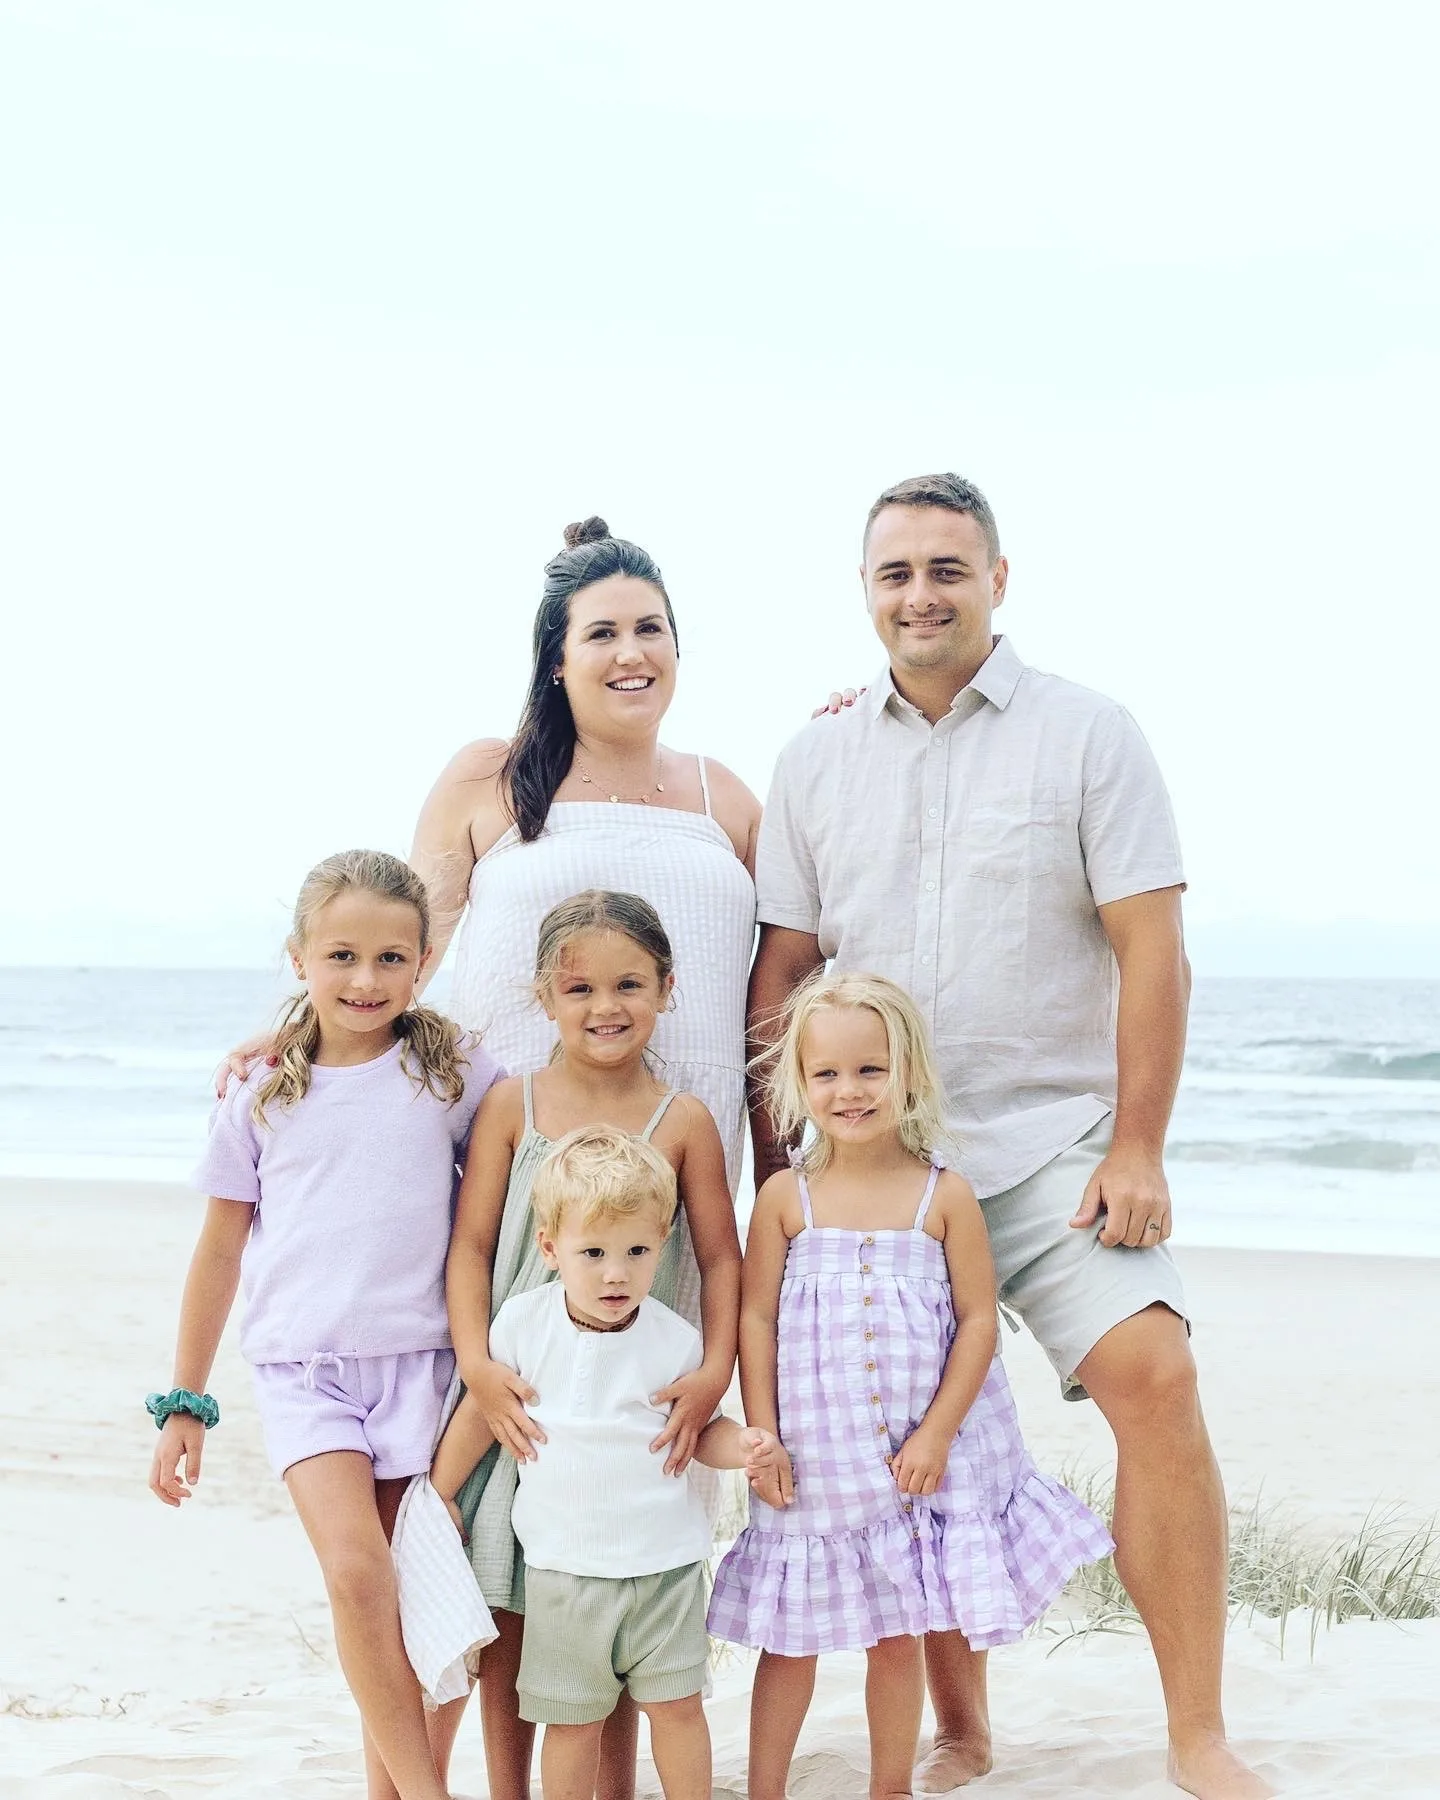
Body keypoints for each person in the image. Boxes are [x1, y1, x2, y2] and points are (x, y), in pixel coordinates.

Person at [749, 473, 1272, 1800]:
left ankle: (1197, 1735)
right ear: (864, 592)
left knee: (1155, 1381)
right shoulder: (814, 757)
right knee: (888, 1434)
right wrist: (776, 1170)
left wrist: (1138, 1146)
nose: (919, 594)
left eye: (945, 568)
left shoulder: (1091, 735)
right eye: (893, 573)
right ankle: (965, 1728)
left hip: (1051, 1148)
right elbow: (787, 968)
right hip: (876, 1164)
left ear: (997, 578)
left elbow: (1151, 950)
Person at [148, 850, 504, 1800]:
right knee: (358, 1578)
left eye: (393, 959)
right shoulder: (261, 1089)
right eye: (341, 955)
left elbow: (527, 1149)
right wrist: (185, 1401)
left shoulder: (454, 1070)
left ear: (425, 962)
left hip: (427, 1369)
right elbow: (219, 1252)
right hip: (304, 1373)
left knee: (422, 1592)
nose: (366, 979)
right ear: (299, 955)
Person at [709, 972, 1109, 1800]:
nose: (849, 1091)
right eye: (827, 1074)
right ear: (799, 1083)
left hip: (912, 1461)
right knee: (790, 1639)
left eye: (871, 1070)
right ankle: (764, 1790)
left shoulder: (944, 1196)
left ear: (910, 1076)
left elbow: (979, 1322)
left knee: (899, 1634)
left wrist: (934, 1435)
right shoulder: (787, 1199)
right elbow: (755, 1321)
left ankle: (889, 1787)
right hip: (812, 1456)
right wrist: (762, 1434)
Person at [442, 889, 742, 1800]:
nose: (604, 1006)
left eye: (628, 985)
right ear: (544, 997)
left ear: (667, 990)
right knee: (506, 1599)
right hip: (518, 1393)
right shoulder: (510, 1107)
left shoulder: (681, 1119)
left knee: (606, 1584)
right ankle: (508, 1788)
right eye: (579, 988)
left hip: (615, 1402)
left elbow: (723, 1258)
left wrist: (714, 1374)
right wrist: (477, 1371)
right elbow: (471, 1248)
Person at [435, 1123, 780, 1800]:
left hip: (665, 1571)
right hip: (565, 1576)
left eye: (637, 1250)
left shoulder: (673, 1341)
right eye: (593, 1251)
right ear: (551, 1248)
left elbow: (698, 1429)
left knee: (678, 1710)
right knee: (572, 1722)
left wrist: (742, 1445)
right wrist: (442, 1493)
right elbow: (483, 1412)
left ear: (662, 1246)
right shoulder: (523, 1326)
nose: (616, 1271)